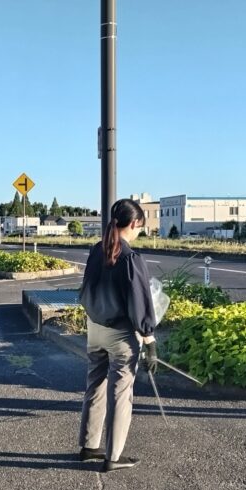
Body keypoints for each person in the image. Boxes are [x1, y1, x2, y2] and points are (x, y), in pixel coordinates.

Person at [77, 199, 157, 472]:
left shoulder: (96, 250)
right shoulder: (130, 258)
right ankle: (113, 456)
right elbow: (140, 303)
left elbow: (86, 288)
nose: (139, 233)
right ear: (133, 223)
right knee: (120, 394)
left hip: (94, 329)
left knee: (95, 386)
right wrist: (149, 340)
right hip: (120, 335)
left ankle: (89, 446)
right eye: (140, 227)